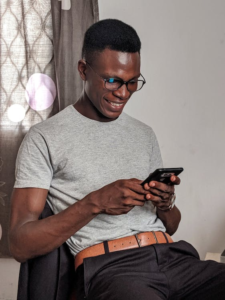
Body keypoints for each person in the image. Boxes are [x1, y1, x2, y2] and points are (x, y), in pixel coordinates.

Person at [9, 19, 225, 300]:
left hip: (175, 258)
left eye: (132, 82)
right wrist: (96, 202)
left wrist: (165, 202)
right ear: (83, 70)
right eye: (112, 80)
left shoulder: (144, 134)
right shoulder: (44, 138)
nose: (123, 93)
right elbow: (19, 243)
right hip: (113, 268)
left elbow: (171, 225)